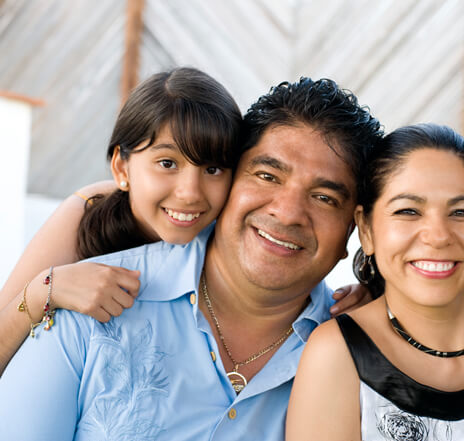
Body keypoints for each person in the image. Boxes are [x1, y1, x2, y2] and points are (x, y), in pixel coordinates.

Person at [0, 76, 382, 441]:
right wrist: (39, 293)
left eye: (325, 198)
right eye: (267, 176)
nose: (287, 213)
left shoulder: (361, 360)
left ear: (359, 228)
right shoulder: (85, 300)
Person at [287, 124, 464, 440]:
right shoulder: (337, 354)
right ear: (366, 229)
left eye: (461, 212)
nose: (438, 236)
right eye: (408, 211)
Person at [0, 66, 242, 374]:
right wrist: (45, 289)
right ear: (121, 168)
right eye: (167, 163)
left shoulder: (233, 236)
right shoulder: (87, 213)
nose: (190, 193)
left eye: (213, 169)